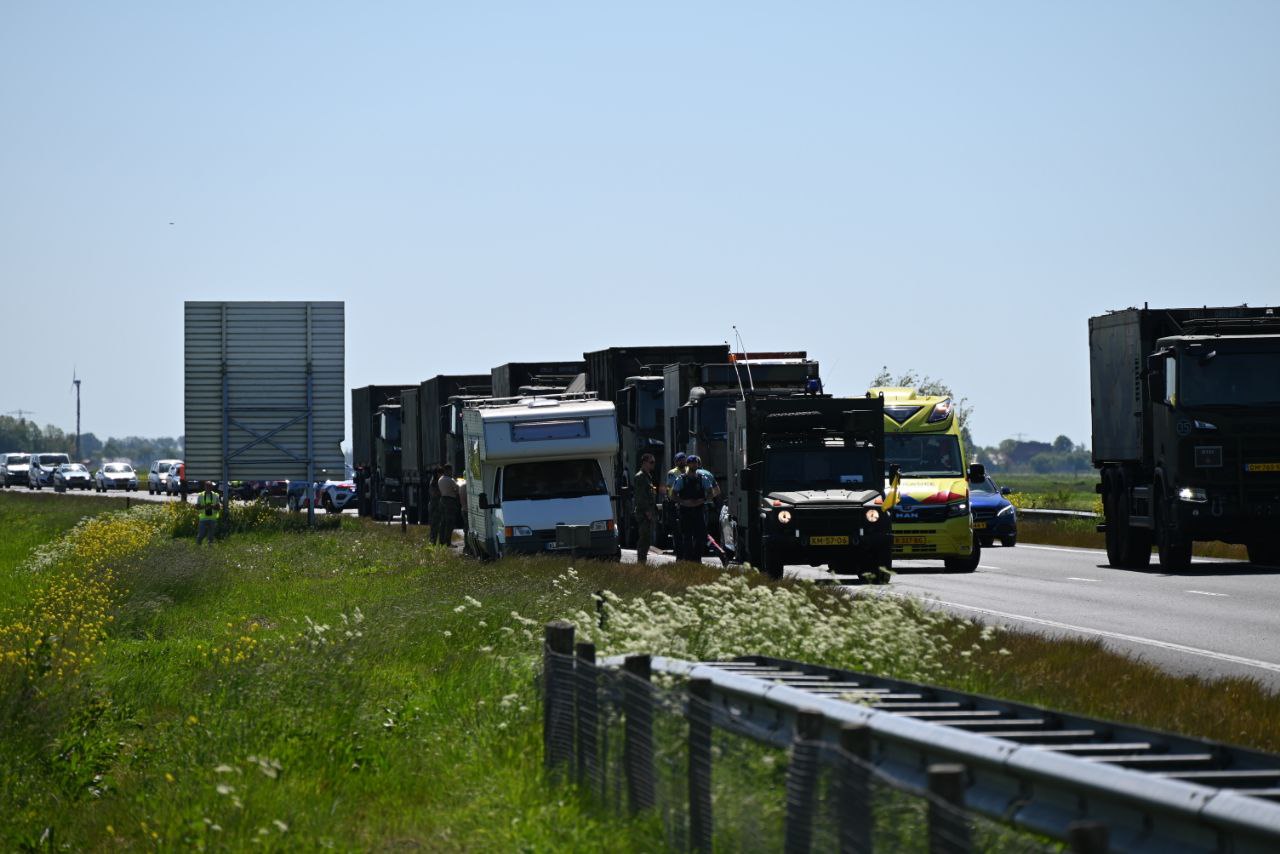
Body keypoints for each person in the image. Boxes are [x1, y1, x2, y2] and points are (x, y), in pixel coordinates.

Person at [674, 456, 711, 561]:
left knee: (700, 537)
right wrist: (682, 502)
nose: (694, 464)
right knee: (687, 537)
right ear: (688, 464)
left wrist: (703, 500)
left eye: (696, 462)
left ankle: (697, 560)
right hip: (685, 511)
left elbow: (710, 493)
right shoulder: (681, 479)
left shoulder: (703, 478)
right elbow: (673, 495)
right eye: (692, 462)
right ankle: (688, 560)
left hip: (699, 511)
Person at [633, 453, 659, 565]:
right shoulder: (640, 477)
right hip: (643, 513)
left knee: (647, 539)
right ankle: (641, 562)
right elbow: (640, 497)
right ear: (644, 463)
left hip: (649, 512)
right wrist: (647, 512)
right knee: (644, 538)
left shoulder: (648, 476)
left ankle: (643, 562)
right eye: (651, 462)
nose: (653, 464)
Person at [665, 452, 687, 558]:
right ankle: (679, 555)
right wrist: (672, 499)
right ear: (676, 462)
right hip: (675, 503)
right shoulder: (672, 473)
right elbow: (669, 488)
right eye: (680, 460)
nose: (682, 461)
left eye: (683, 459)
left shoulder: (689, 471)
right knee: (677, 531)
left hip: (687, 503)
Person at [436, 464, 461, 546]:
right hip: (450, 501)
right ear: (448, 470)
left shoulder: (440, 480)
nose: (451, 472)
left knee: (443, 522)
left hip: (442, 500)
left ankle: (441, 541)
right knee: (450, 523)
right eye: (451, 470)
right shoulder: (451, 480)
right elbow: (457, 490)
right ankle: (448, 542)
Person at [195, 481, 220, 545]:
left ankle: (210, 548)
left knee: (211, 537)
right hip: (203, 518)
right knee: (201, 534)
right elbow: (197, 507)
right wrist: (205, 506)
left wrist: (212, 506)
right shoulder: (200, 495)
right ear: (205, 487)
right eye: (207, 486)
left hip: (212, 518)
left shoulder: (215, 495)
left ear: (212, 487)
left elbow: (218, 508)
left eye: (210, 486)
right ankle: (197, 546)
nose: (208, 488)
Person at [427, 466, 442, 539]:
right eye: (440, 473)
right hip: (434, 504)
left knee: (436, 523)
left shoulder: (436, 481)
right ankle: (433, 539)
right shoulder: (434, 482)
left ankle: (433, 538)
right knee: (434, 523)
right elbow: (434, 493)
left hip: (435, 504)